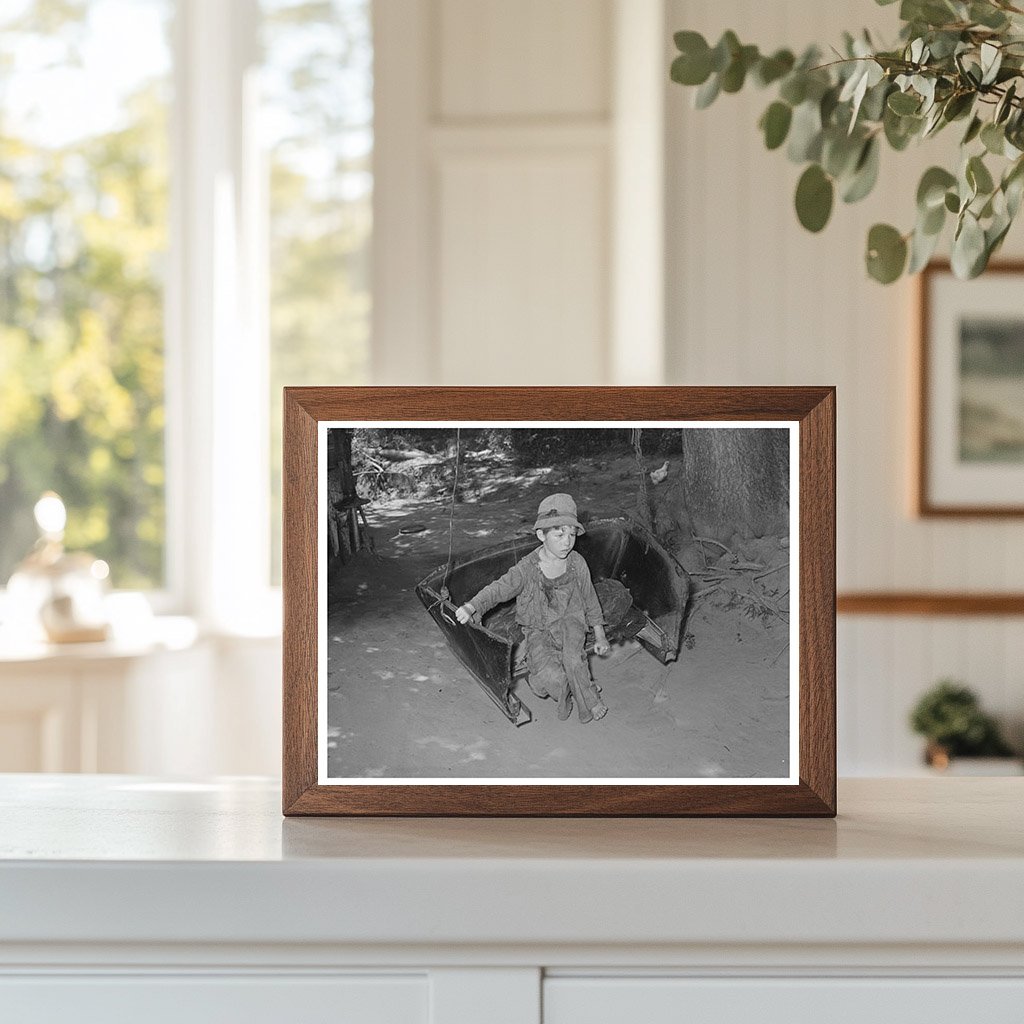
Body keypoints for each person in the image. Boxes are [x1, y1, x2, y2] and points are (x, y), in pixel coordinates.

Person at [455, 493, 610, 723]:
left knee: (574, 660)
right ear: (541, 535)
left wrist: (600, 636)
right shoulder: (527, 569)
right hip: (539, 629)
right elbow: (499, 589)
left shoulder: (577, 563)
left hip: (571, 622)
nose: (567, 541)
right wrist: (471, 606)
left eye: (572, 534)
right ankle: (568, 686)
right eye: (559, 534)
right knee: (549, 679)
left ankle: (589, 701)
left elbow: (589, 599)